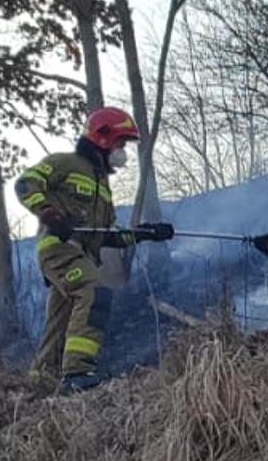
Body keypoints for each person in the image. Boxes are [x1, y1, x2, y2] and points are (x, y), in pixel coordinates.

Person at [14, 106, 173, 393]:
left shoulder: (103, 189)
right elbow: (25, 183)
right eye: (120, 143)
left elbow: (104, 236)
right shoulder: (65, 163)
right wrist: (50, 214)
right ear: (103, 138)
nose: (122, 151)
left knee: (59, 321)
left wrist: (146, 233)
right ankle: (78, 372)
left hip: (80, 254)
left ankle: (39, 384)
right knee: (94, 290)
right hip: (59, 249)